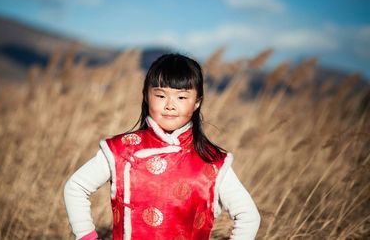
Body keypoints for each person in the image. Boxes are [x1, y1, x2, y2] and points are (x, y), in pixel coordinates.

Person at [63, 53, 260, 240]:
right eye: (160, 95)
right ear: (146, 96)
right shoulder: (121, 150)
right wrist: (87, 236)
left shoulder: (212, 162)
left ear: (197, 102)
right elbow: (76, 187)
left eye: (182, 97)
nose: (170, 105)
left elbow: (248, 216)